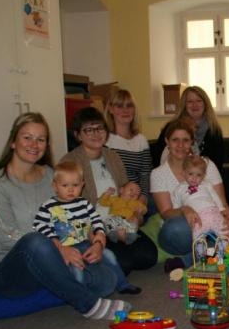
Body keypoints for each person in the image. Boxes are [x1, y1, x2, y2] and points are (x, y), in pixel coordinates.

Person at [0, 112, 131, 320]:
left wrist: (96, 241)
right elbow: (5, 235)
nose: (34, 144)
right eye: (27, 137)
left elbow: (75, 216)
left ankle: (67, 281)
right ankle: (88, 304)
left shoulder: (51, 175)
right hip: (10, 269)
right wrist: (58, 248)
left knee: (106, 282)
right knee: (35, 241)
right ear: (13, 142)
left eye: (41, 139)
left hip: (61, 257)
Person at [61, 107, 158, 276]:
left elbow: (126, 191)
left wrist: (135, 214)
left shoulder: (113, 156)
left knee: (148, 257)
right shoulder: (70, 161)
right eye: (88, 130)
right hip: (93, 226)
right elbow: (68, 206)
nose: (96, 133)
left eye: (100, 128)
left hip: (120, 217)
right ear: (78, 135)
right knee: (124, 264)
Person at [151, 119, 229, 269]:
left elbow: (222, 203)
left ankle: (189, 259)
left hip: (212, 219)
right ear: (167, 142)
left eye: (185, 140)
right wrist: (184, 210)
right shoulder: (158, 174)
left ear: (192, 142)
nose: (180, 145)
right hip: (183, 227)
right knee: (175, 230)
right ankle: (218, 251)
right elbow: (166, 213)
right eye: (175, 140)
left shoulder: (207, 164)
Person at [33, 161, 140, 295]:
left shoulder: (84, 203)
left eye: (75, 185)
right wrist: (55, 241)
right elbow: (39, 225)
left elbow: (96, 220)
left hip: (86, 243)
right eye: (65, 185)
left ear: (82, 185)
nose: (70, 189)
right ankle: (81, 295)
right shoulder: (48, 206)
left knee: (109, 255)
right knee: (76, 269)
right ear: (55, 186)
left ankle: (123, 284)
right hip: (65, 248)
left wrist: (98, 236)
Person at [154, 86, 224, 172]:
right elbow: (157, 159)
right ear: (184, 105)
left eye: (199, 101)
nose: (195, 105)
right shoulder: (171, 128)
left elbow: (218, 165)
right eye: (190, 102)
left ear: (205, 104)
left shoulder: (214, 130)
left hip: (205, 177)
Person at [104, 89, 151, 211]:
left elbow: (145, 175)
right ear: (110, 109)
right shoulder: (105, 140)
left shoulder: (141, 140)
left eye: (129, 106)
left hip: (136, 200)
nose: (125, 110)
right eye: (119, 106)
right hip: (112, 200)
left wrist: (141, 201)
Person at [173, 155, 229, 240]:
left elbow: (215, 197)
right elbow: (176, 206)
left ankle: (223, 246)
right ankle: (200, 247)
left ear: (203, 176)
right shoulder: (179, 189)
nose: (194, 178)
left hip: (213, 212)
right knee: (197, 235)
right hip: (197, 218)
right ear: (184, 173)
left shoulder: (207, 184)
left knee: (225, 230)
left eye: (198, 175)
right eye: (190, 174)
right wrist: (179, 214)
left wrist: (221, 209)